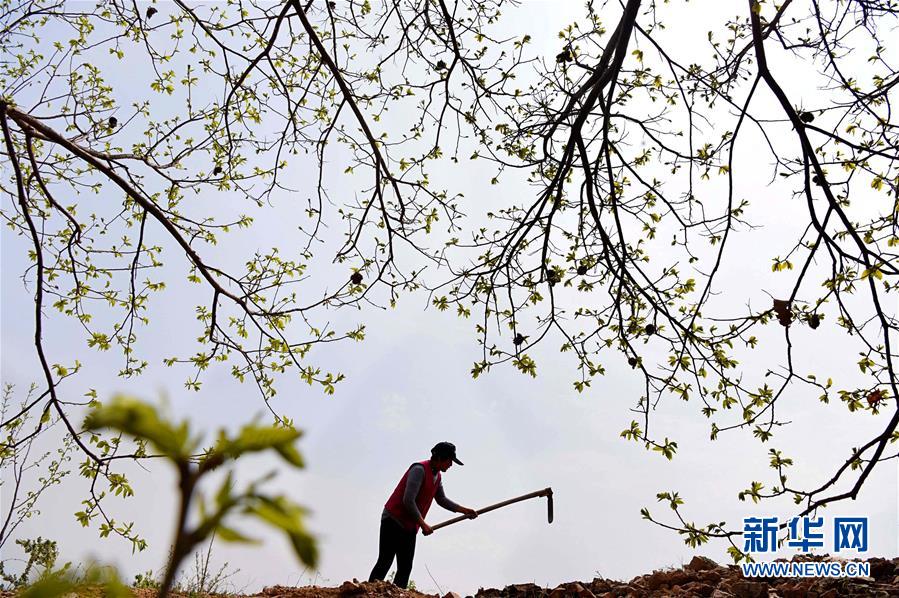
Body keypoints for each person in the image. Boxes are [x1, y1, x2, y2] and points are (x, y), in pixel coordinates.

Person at [369, 442, 477, 588]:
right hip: (393, 519)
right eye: (449, 461)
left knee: (405, 567)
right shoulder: (419, 470)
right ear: (439, 458)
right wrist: (423, 524)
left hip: (410, 525)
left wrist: (465, 510)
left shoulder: (437, 476)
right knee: (385, 561)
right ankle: (367, 593)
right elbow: (408, 500)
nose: (451, 465)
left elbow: (442, 500)